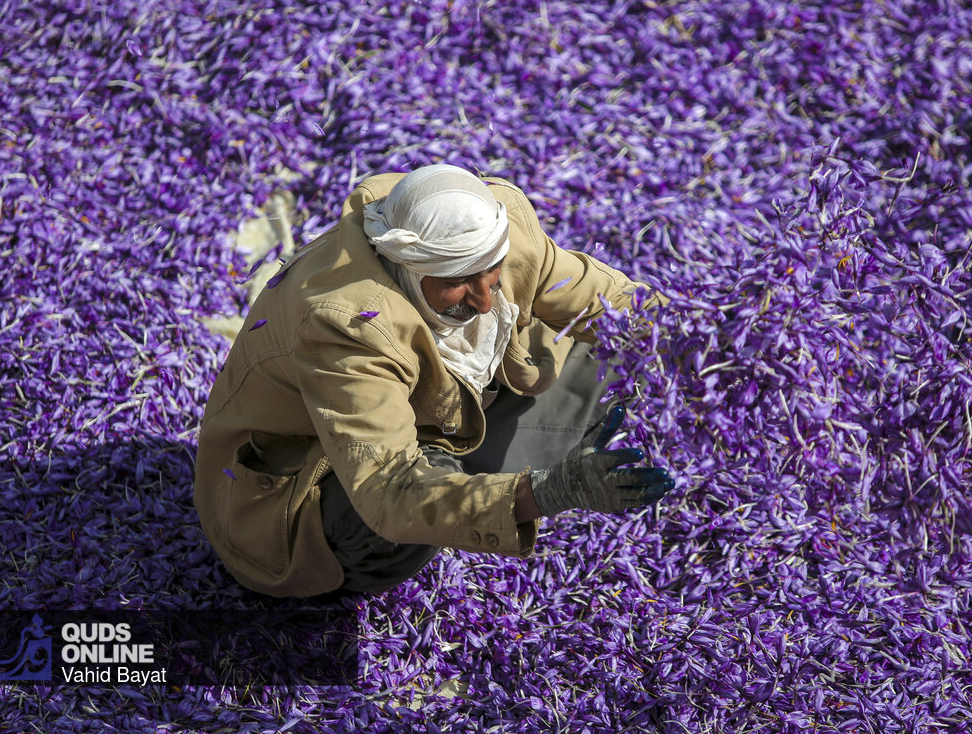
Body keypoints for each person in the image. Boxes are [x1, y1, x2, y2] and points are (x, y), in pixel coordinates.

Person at [193, 165, 673, 598]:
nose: (485, 300)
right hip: (301, 491)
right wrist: (550, 493)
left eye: (493, 271)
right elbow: (389, 489)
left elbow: (612, 304)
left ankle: (483, 487)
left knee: (585, 341)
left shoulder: (494, 233)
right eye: (458, 281)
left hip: (434, 410)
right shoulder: (347, 327)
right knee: (399, 509)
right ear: (407, 265)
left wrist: (711, 341)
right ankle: (475, 498)